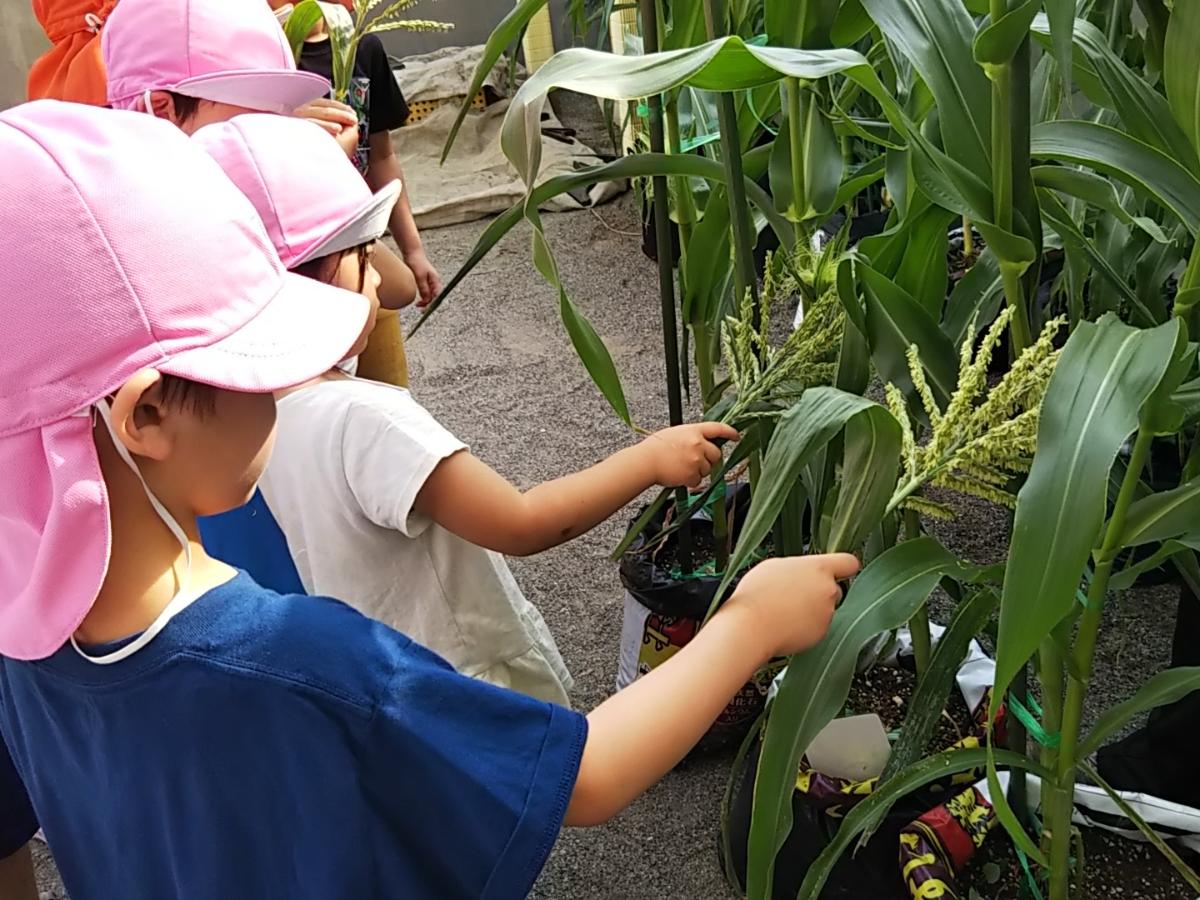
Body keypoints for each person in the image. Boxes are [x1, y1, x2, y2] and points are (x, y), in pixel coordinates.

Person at [0, 99, 857, 900]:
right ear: (147, 412)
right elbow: (587, 778)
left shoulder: (25, 657)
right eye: (253, 362)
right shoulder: (307, 661)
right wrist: (749, 622)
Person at [190, 114, 737, 704]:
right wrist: (651, 458)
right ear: (313, 287)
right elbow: (521, 523)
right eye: (365, 259)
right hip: (454, 687)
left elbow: (379, 285)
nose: (380, 281)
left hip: (367, 696)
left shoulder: (229, 421)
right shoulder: (363, 422)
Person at [269, 0, 436, 386]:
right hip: (301, 230)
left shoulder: (363, 46)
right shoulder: (267, 56)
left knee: (396, 292)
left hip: (353, 223)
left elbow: (382, 155)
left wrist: (414, 249)